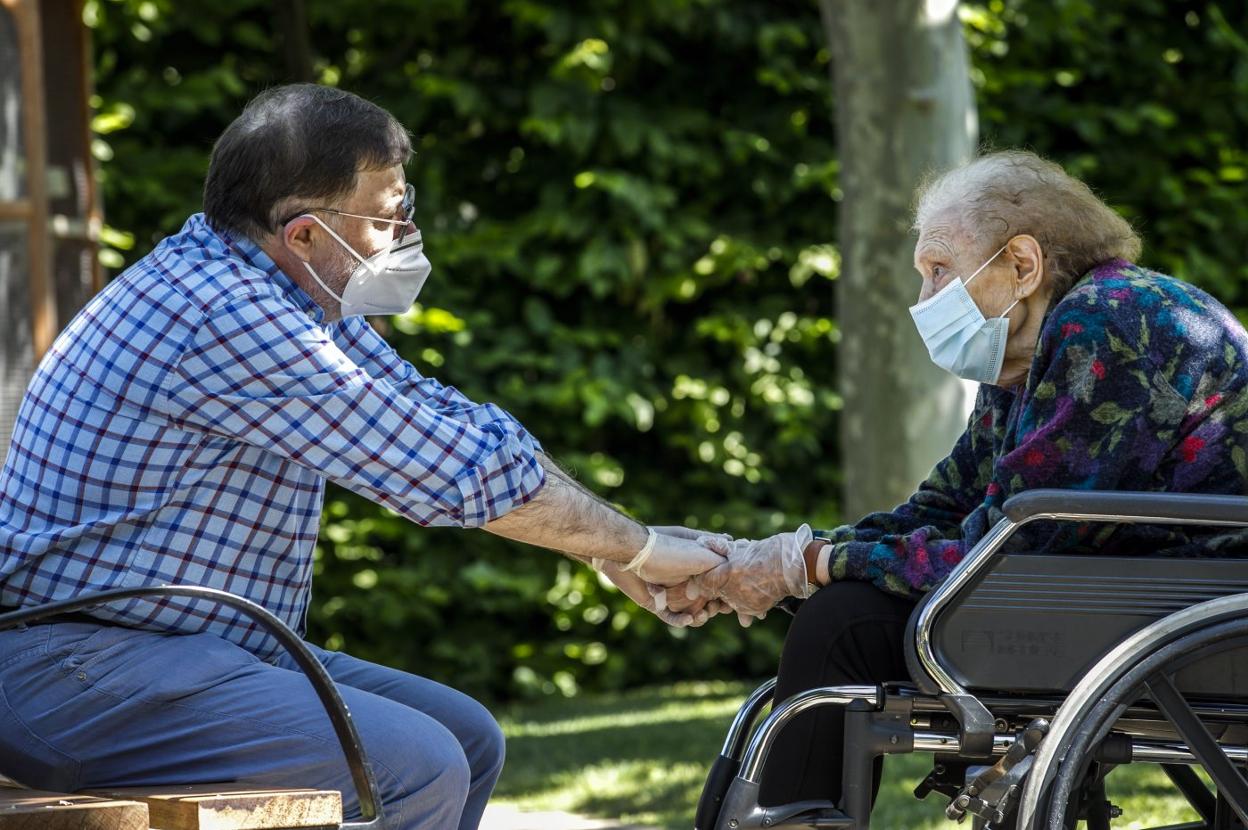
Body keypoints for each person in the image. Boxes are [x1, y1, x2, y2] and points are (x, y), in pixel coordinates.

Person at [0, 84, 724, 830]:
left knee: (468, 739)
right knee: (412, 767)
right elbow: (450, 471)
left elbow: (446, 417)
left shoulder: (280, 287)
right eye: (384, 218)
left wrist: (610, 553)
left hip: (174, 652)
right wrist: (639, 549)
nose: (405, 235)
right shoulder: (228, 316)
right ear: (305, 233)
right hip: (70, 674)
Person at [689, 149, 1248, 808]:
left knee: (842, 623)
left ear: (1021, 264)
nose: (924, 300)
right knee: (838, 610)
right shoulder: (1027, 352)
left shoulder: (1109, 321)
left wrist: (812, 564)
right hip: (1145, 592)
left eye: (939, 270)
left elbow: (1010, 551)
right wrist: (777, 557)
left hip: (1192, 602)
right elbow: (945, 504)